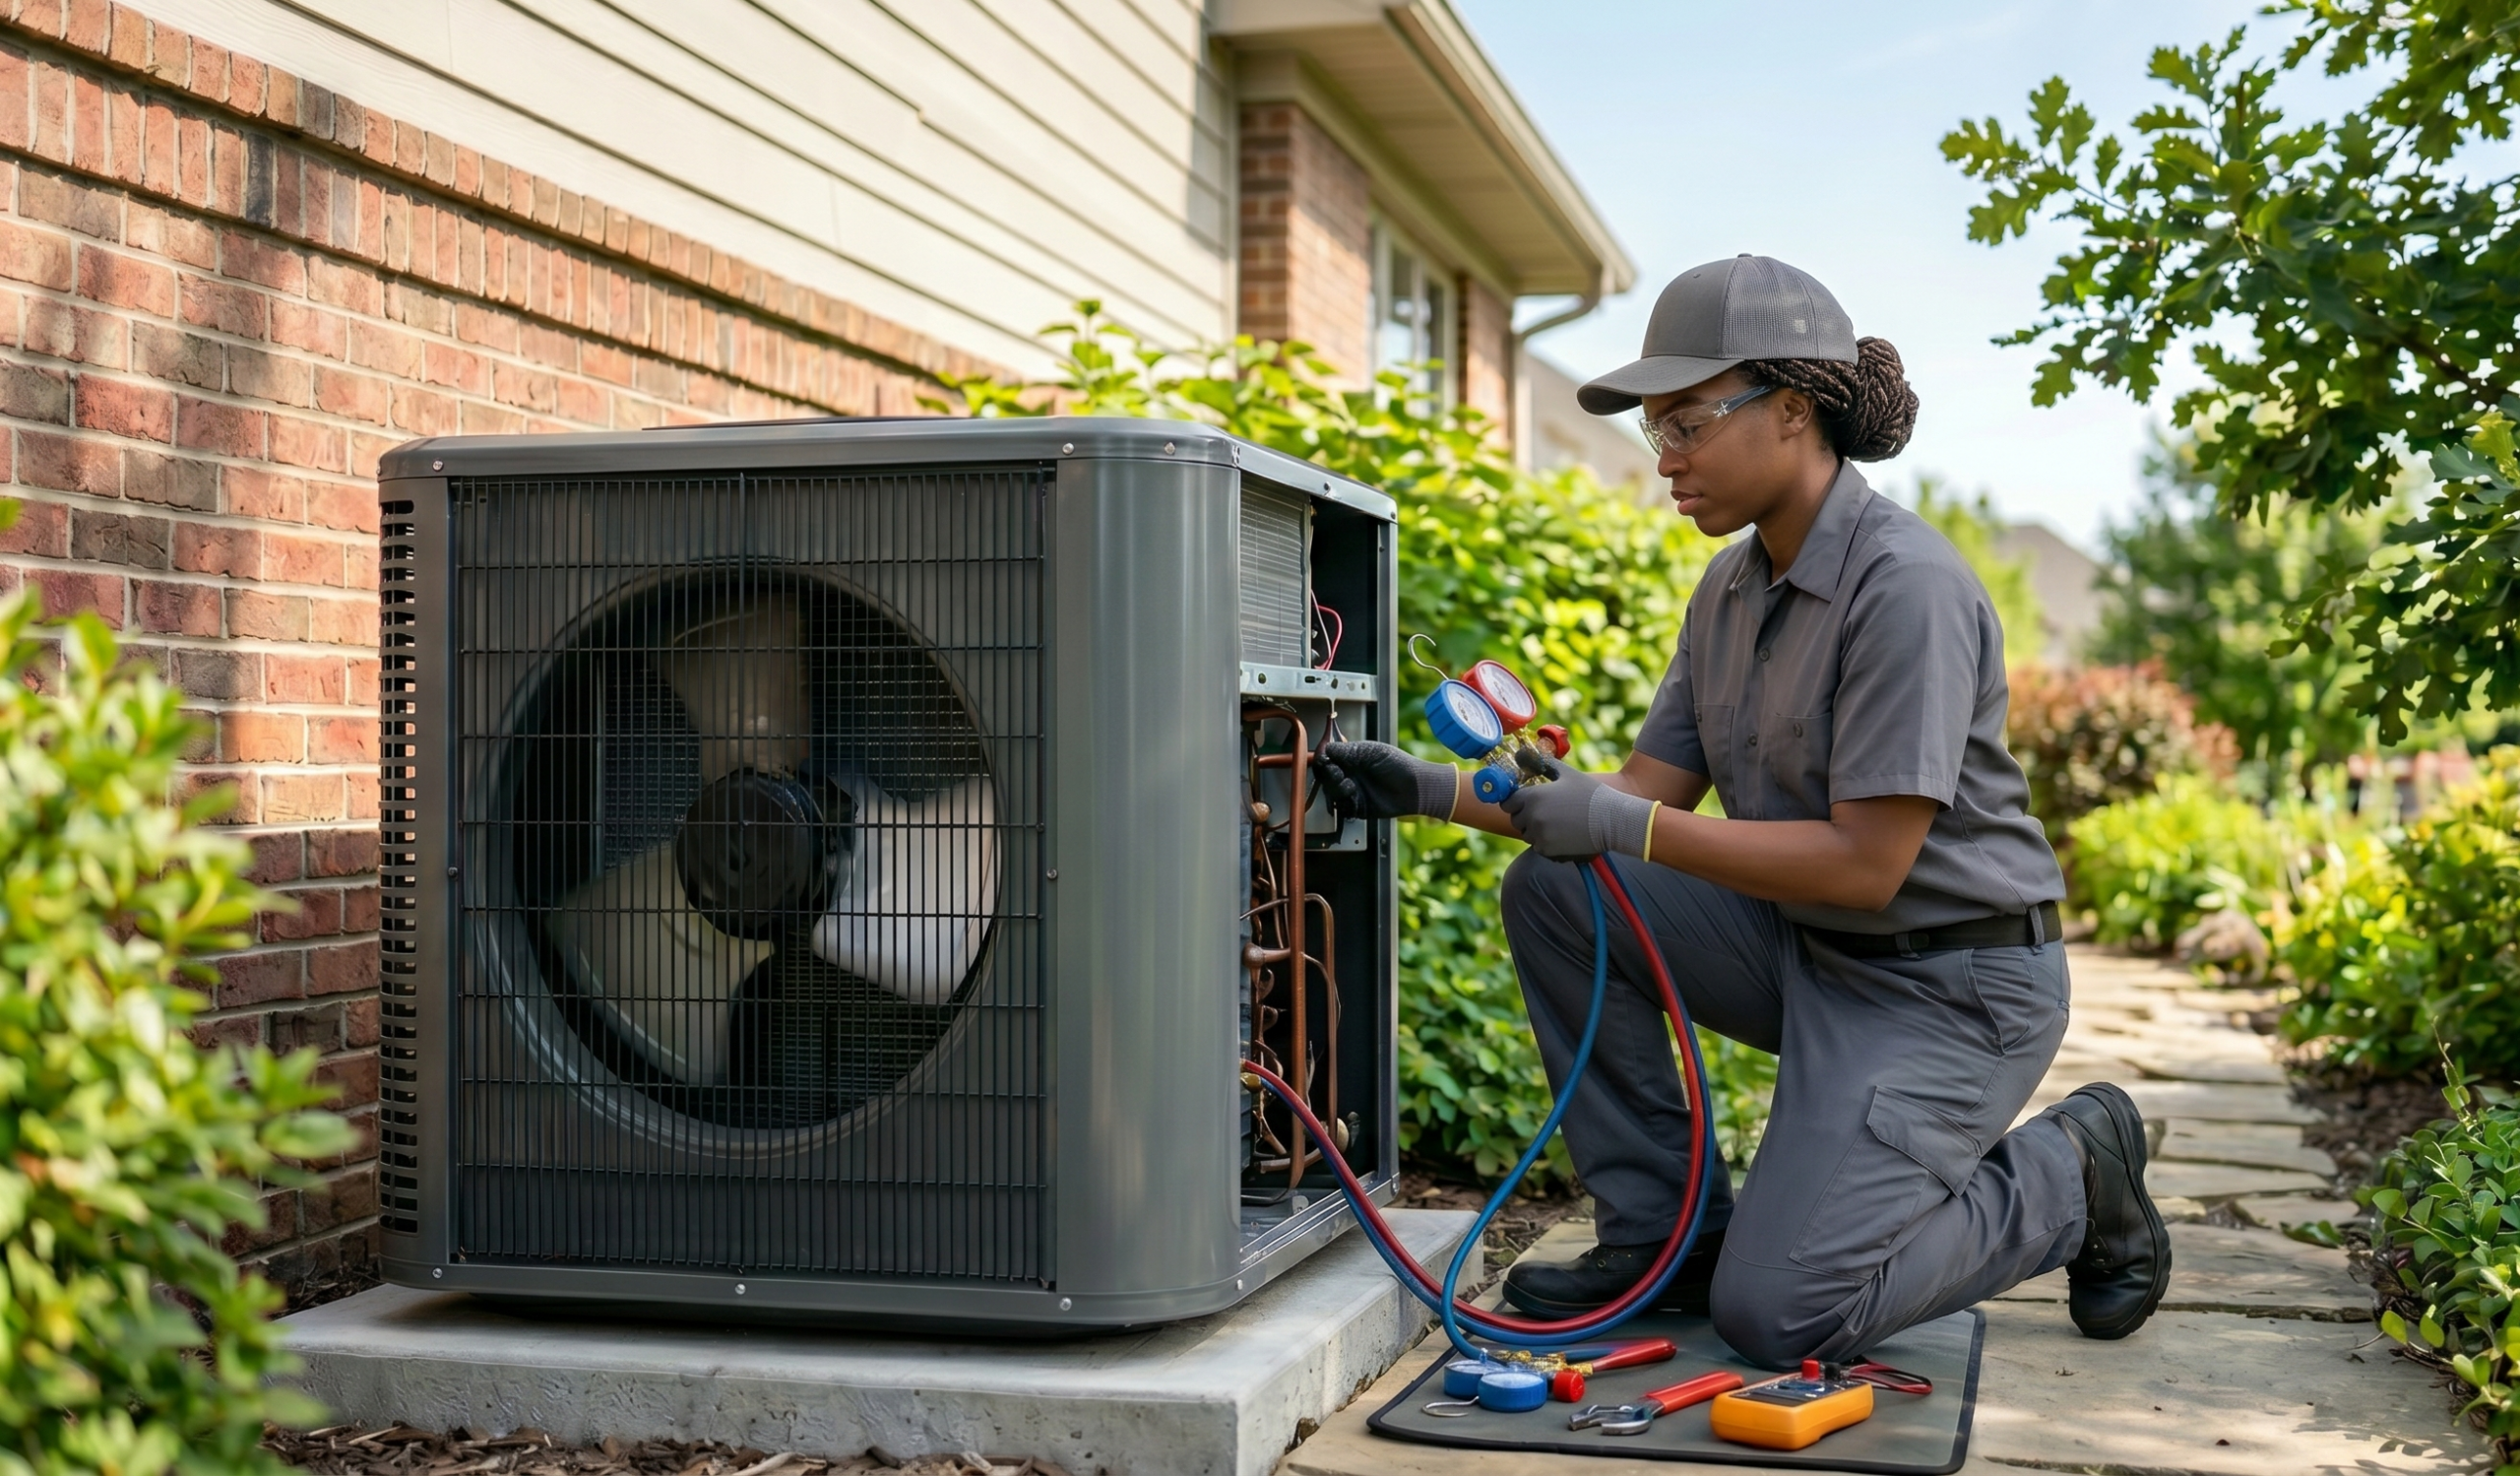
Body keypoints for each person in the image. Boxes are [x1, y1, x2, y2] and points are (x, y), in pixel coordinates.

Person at [1312, 255, 2170, 1367]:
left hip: (1948, 989)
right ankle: (1667, 1240)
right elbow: (1632, 801)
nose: (1663, 459)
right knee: (1560, 890)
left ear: (1792, 410)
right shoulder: (1726, 590)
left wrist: (1617, 825)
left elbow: (1866, 863)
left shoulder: (1902, 586)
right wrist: (1429, 790)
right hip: (1807, 953)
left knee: (1786, 1315)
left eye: (1684, 424)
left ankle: (2075, 1169)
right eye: (1653, 433)